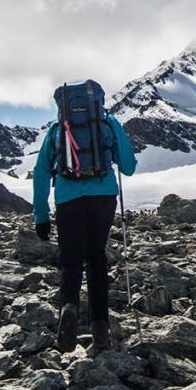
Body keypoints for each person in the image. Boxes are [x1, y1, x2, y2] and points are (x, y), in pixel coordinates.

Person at [32, 105, 137, 354]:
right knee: (96, 258)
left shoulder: (58, 128)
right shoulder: (109, 123)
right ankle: (100, 330)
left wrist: (41, 215)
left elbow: (41, 171)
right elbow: (128, 167)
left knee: (71, 262)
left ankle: (68, 309)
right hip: (104, 196)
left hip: (68, 198)